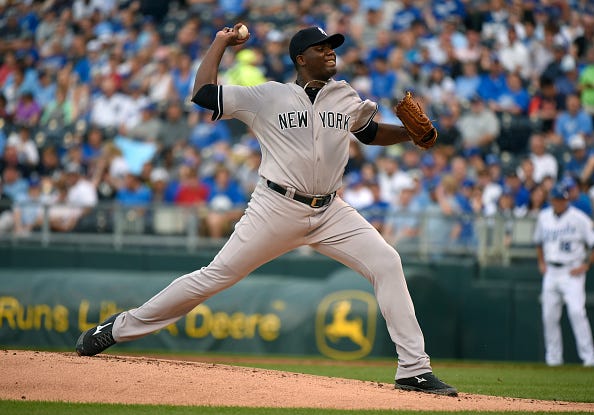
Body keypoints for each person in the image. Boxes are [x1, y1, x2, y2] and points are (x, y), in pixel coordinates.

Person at [75, 24, 458, 397]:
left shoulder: (345, 96)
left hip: (330, 211)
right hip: (276, 206)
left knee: (387, 262)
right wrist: (220, 43)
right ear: (300, 58)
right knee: (214, 277)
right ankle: (120, 327)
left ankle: (414, 370)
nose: (330, 51)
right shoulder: (267, 97)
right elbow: (203, 93)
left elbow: (369, 133)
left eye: (333, 46)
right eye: (322, 47)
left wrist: (408, 133)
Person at [533, 183, 594, 367]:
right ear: (551, 200)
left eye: (562, 199)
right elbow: (538, 242)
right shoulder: (544, 217)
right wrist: (541, 263)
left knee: (577, 312)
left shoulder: (579, 218)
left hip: (571, 270)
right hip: (551, 271)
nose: (559, 202)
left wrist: (586, 265)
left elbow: (592, 243)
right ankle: (553, 359)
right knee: (549, 316)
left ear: (567, 199)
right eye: (556, 199)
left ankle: (589, 358)